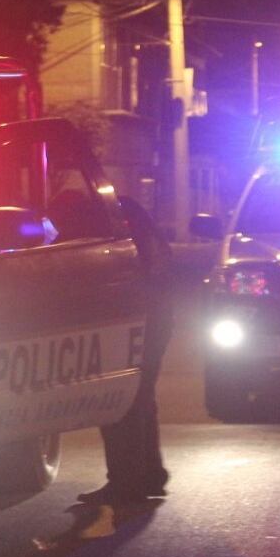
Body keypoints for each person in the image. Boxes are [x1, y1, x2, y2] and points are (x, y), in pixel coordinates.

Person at [78, 196, 176, 505]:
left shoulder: (102, 221)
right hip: (154, 315)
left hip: (136, 317)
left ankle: (127, 482)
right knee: (140, 394)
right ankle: (148, 475)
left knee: (121, 397)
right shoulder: (125, 212)